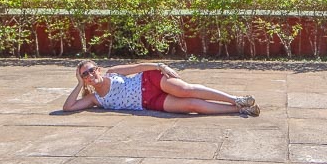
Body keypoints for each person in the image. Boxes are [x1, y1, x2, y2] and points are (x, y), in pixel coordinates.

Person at [62, 60, 260, 116]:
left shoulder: (112, 72)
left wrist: (160, 66)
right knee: (191, 106)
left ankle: (235, 98)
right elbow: (68, 108)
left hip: (149, 80)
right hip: (149, 102)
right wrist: (78, 84)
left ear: (98, 69)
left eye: (90, 70)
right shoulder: (96, 99)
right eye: (84, 75)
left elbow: (138, 67)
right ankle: (240, 109)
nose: (90, 75)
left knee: (186, 90)